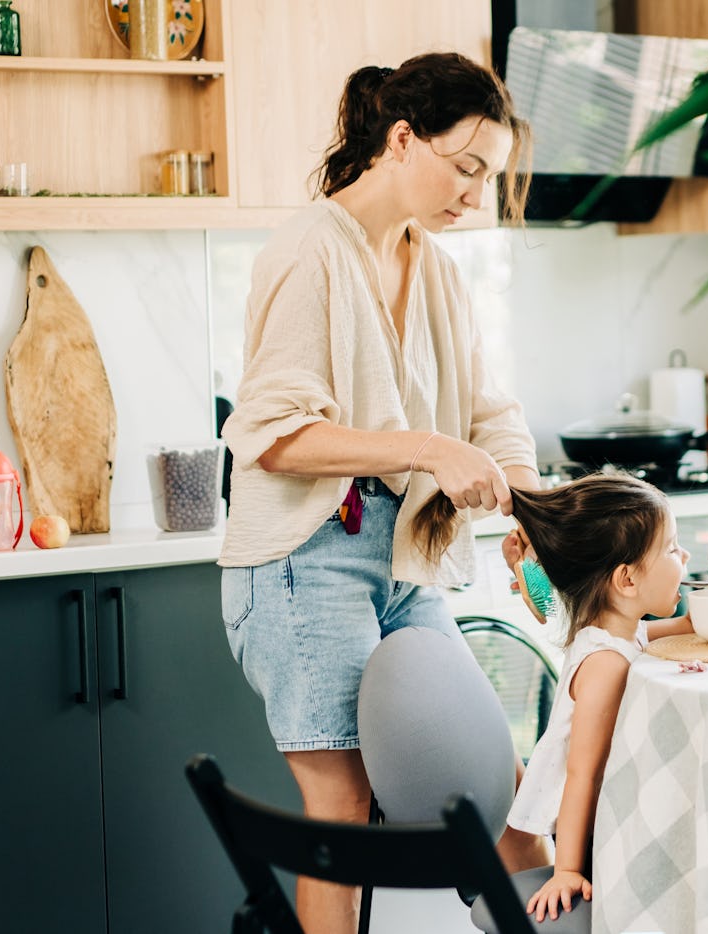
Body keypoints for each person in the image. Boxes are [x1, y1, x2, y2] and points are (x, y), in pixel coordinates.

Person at [217, 52, 547, 934]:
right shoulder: (308, 251)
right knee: (343, 804)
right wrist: (430, 449)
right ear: (403, 140)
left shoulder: (436, 269)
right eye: (467, 168)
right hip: (305, 560)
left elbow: (490, 410)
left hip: (407, 563)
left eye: (490, 177)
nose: (476, 196)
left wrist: (531, 509)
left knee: (494, 788)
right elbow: (275, 437)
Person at [417, 474, 699, 927]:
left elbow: (686, 626)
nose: (684, 557)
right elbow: (581, 775)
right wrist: (568, 870)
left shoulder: (610, 631)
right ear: (626, 579)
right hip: (595, 841)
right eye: (671, 548)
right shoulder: (606, 664)